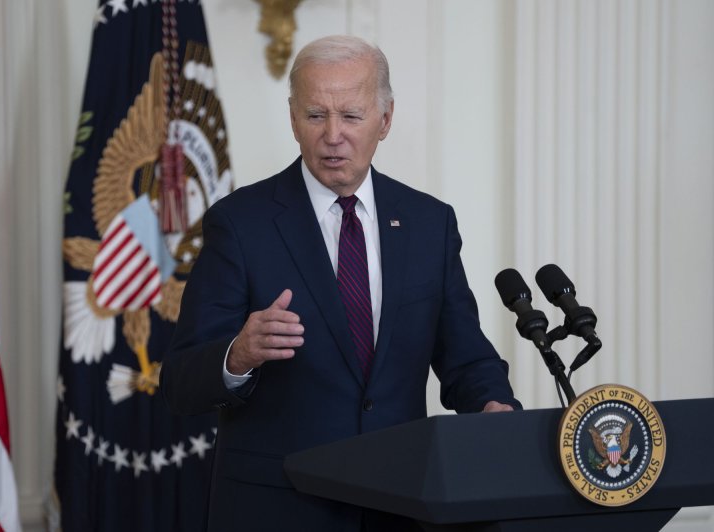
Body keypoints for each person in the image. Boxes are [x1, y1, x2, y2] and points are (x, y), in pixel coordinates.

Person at [161, 35, 521, 532]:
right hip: (279, 510)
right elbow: (179, 382)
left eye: (351, 116)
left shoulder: (428, 223)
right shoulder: (240, 224)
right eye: (315, 116)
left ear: (385, 120)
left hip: (401, 505)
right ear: (292, 118)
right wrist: (236, 356)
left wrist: (492, 406)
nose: (333, 135)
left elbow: (466, 356)